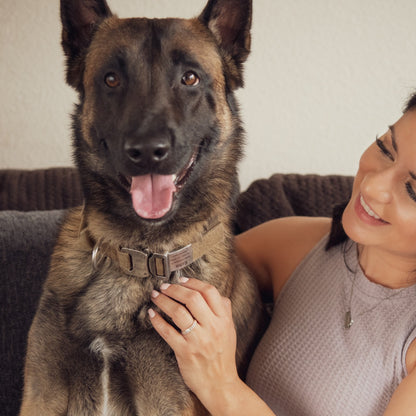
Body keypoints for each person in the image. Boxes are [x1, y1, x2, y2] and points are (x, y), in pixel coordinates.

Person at [147, 94, 416, 416]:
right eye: (386, 149)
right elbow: (161, 266)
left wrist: (219, 384)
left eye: (413, 189)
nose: (372, 186)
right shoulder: (297, 245)